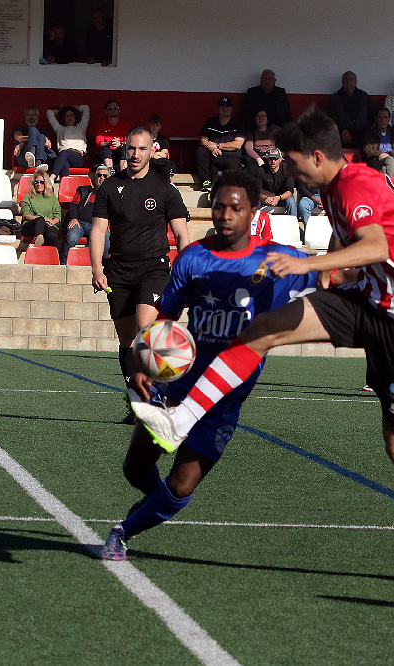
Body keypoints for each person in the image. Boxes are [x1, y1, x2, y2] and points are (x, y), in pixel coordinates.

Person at [131, 110, 394, 587]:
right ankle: (179, 422)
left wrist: (310, 265)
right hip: (366, 299)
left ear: (318, 156)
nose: (287, 169)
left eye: (293, 160)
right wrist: (326, 273)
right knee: (260, 330)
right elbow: (367, 260)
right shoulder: (330, 188)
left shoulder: (355, 185)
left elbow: (378, 246)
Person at [100, 169, 319, 561]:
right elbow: (165, 318)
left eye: (235, 207)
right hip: (178, 384)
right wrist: (145, 363)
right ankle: (155, 507)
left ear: (252, 210)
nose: (225, 214)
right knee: (135, 469)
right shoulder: (193, 257)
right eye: (219, 205)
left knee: (182, 485)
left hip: (226, 396)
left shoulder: (278, 260)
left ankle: (123, 532)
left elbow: (334, 273)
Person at [90, 127, 191, 421]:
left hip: (154, 269)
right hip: (118, 270)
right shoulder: (109, 187)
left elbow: (182, 234)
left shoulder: (165, 189)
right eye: (131, 148)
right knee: (127, 341)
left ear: (152, 150)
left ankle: (155, 400)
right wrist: (97, 268)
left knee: (147, 334)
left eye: (142, 149)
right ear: (125, 149)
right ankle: (135, 401)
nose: (136, 154)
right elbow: (98, 230)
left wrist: (184, 269)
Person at [197, 95, 246, 192]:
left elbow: (238, 144)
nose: (224, 109)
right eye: (222, 106)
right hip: (213, 154)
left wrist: (217, 145)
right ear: (218, 108)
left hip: (231, 157)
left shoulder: (238, 123)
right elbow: (203, 140)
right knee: (200, 150)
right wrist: (212, 148)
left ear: (232, 109)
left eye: (227, 107)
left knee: (233, 166)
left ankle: (230, 189)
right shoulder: (210, 121)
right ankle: (205, 182)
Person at [63, 164, 111, 263]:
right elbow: (73, 205)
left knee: (106, 237)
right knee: (71, 237)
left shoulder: (110, 194)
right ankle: (64, 262)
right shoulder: (84, 190)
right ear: (95, 177)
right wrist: (74, 218)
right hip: (80, 222)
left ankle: (105, 264)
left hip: (98, 225)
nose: (101, 177)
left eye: (104, 176)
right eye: (99, 175)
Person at [328, 71, 374, 148]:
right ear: (342, 82)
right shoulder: (335, 98)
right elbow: (331, 118)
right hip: (343, 133)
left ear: (356, 82)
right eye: (346, 79)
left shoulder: (364, 96)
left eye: (351, 79)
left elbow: (373, 113)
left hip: (363, 132)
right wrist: (342, 130)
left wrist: (370, 130)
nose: (348, 81)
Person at [19, 165, 61, 249]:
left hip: (48, 225)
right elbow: (26, 215)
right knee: (40, 219)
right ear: (33, 184)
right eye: (36, 182)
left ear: (46, 183)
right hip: (31, 225)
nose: (39, 184)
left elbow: (58, 216)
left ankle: (51, 255)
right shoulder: (27, 197)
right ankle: (39, 237)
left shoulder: (52, 197)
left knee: (52, 234)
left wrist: (53, 222)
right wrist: (43, 219)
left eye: (41, 182)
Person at [46, 104, 90, 181]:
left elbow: (86, 108)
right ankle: (64, 184)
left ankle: (52, 177)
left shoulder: (81, 127)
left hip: (77, 157)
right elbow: (49, 113)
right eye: (66, 116)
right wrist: (62, 109)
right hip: (63, 158)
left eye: (71, 115)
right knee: (64, 163)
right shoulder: (60, 129)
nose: (69, 118)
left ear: (75, 117)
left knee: (65, 152)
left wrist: (71, 107)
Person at [363, 107, 394, 182]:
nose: (383, 120)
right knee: (389, 160)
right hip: (377, 161)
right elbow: (367, 151)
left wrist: (389, 154)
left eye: (385, 117)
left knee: (384, 169)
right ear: (376, 119)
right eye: (380, 117)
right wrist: (382, 154)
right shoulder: (369, 134)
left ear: (389, 119)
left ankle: (385, 192)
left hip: (393, 163)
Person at [95, 99, 131, 172]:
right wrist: (109, 143)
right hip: (106, 154)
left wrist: (120, 143)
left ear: (119, 110)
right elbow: (99, 143)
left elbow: (129, 142)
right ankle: (109, 171)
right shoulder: (101, 124)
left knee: (125, 148)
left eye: (116, 108)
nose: (113, 110)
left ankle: (123, 171)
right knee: (106, 148)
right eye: (110, 108)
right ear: (106, 111)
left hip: (120, 152)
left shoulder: (125, 124)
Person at [258, 148, 297, 217]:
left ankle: (293, 224)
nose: (273, 161)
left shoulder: (287, 170)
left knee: (291, 201)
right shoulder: (261, 170)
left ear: (280, 159)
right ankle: (255, 224)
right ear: (267, 159)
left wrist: (278, 198)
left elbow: (290, 192)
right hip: (267, 196)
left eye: (275, 159)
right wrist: (264, 198)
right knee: (254, 200)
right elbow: (256, 190)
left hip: (282, 197)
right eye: (271, 158)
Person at [244, 109, 278, 177]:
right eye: (258, 116)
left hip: (272, 154)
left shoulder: (274, 129)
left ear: (267, 119)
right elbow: (248, 148)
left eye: (263, 116)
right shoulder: (251, 132)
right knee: (252, 168)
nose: (261, 118)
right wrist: (258, 159)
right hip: (258, 155)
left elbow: (283, 142)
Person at [148, 114, 176, 180]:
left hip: (160, 162)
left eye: (157, 125)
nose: (154, 127)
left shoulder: (164, 139)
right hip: (148, 161)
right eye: (152, 125)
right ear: (149, 125)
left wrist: (152, 155)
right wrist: (155, 155)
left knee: (165, 168)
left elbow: (164, 154)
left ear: (160, 126)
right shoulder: (144, 138)